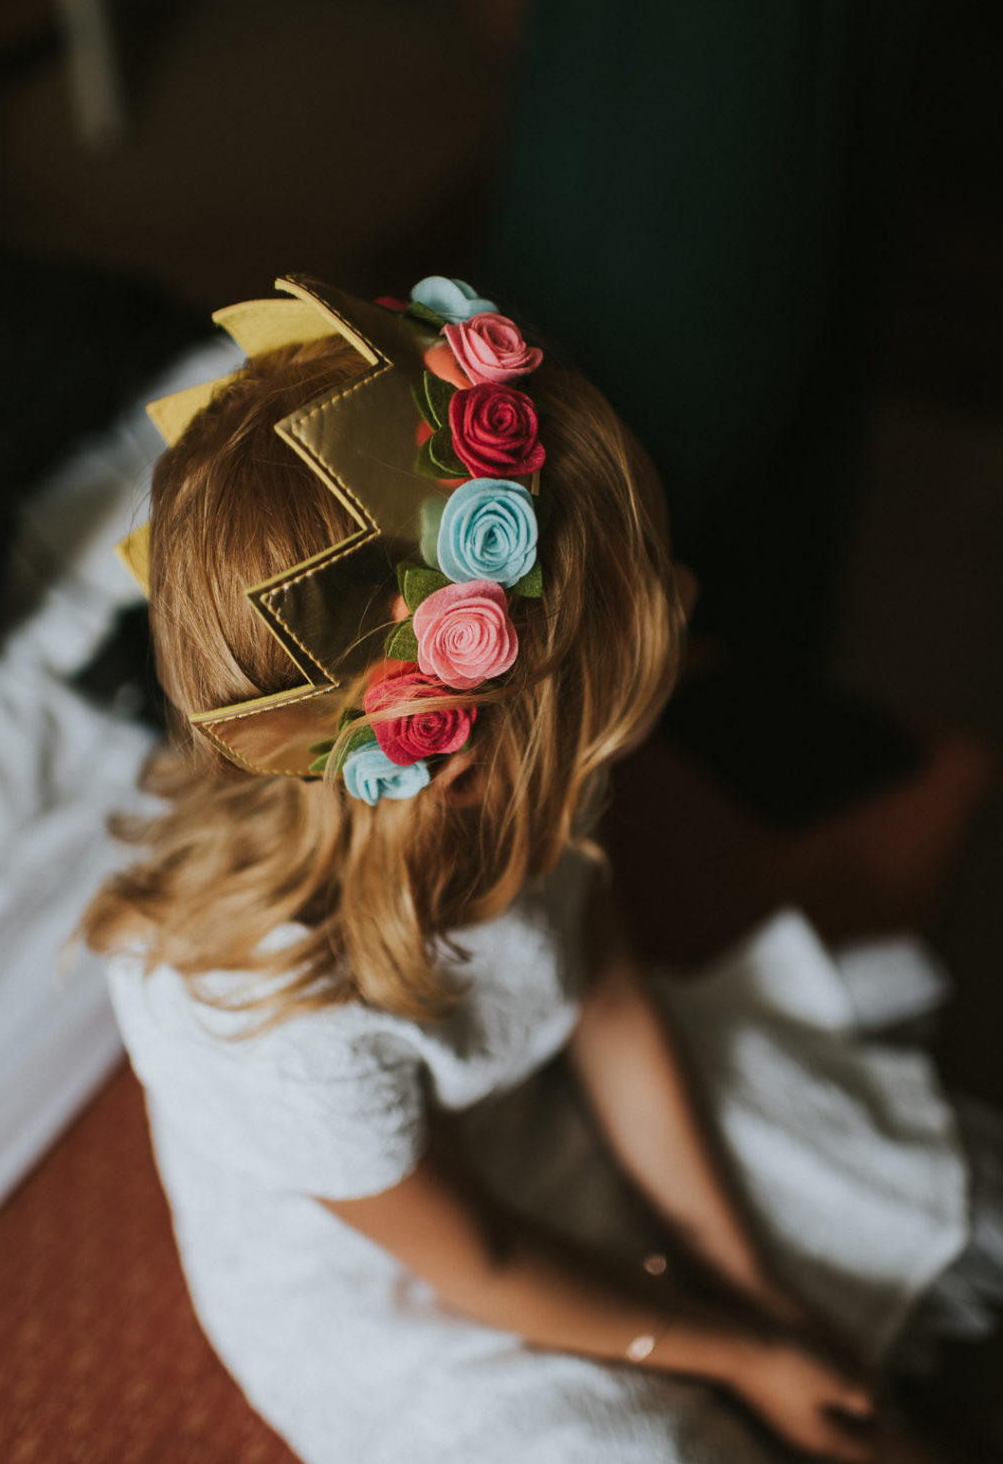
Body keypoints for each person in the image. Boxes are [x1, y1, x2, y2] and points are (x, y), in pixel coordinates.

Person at [82, 274, 987, 1464]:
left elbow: (611, 1004)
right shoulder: (268, 1018)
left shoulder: (515, 767)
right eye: (661, 580)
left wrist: (746, 1288)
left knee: (853, 1205)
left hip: (522, 1115)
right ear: (460, 762)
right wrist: (729, 1352)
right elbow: (484, 1260)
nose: (690, 595)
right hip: (399, 1272)